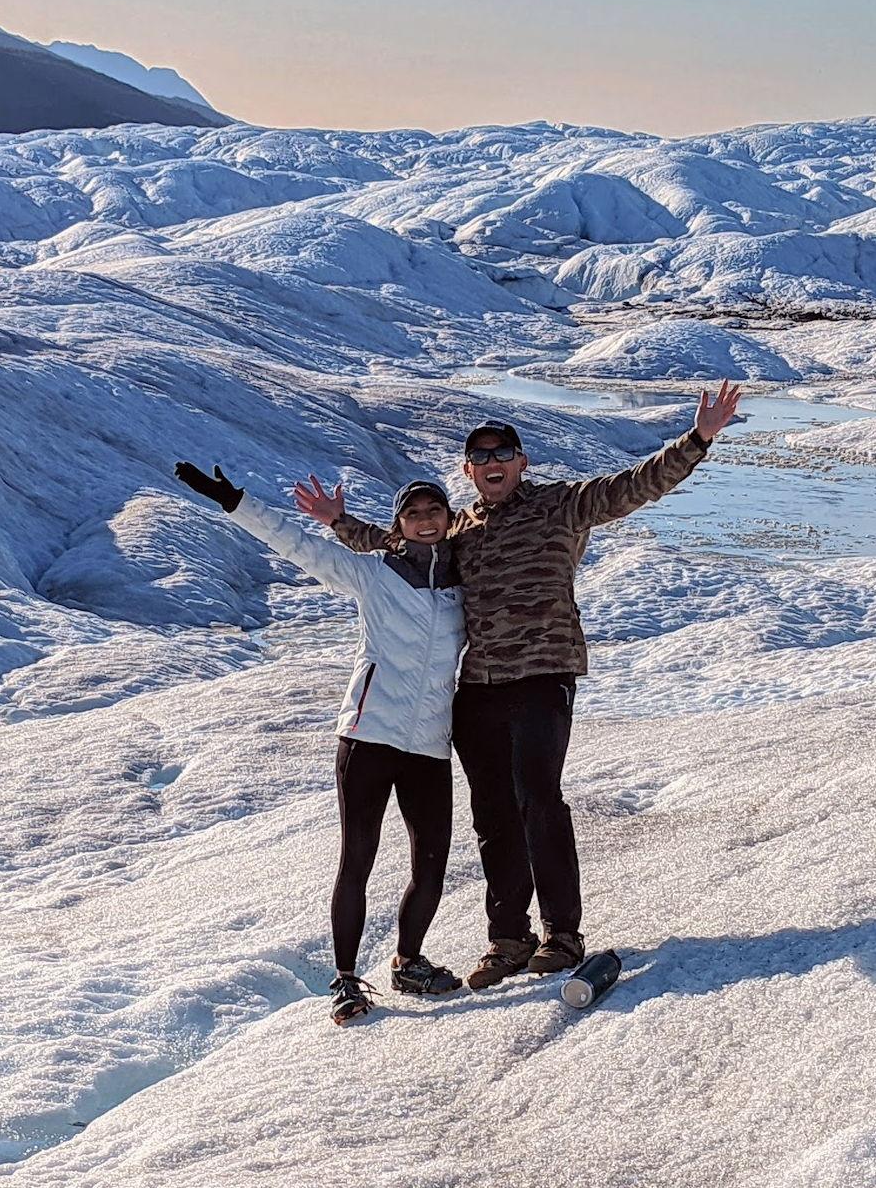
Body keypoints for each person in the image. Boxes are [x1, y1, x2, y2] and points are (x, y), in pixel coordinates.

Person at [296, 379, 743, 988]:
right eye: (480, 457)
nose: (491, 464)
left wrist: (698, 439)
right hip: (478, 688)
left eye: (502, 454)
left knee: (539, 798)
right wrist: (340, 522)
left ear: (521, 462)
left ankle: (562, 933)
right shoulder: (462, 529)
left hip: (543, 677)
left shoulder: (560, 504)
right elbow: (402, 543)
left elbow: (635, 486)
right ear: (468, 470)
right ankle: (509, 938)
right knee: (493, 814)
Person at [174, 460, 467, 1026]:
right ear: (399, 525)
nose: (425, 521)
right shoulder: (373, 574)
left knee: (431, 862)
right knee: (357, 856)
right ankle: (347, 978)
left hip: (430, 741)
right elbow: (298, 545)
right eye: (413, 514)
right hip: (369, 734)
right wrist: (236, 502)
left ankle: (408, 961)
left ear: (449, 519)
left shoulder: (463, 584)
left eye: (434, 512)